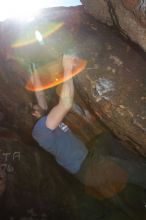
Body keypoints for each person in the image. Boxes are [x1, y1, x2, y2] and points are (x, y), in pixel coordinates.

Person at [31, 54, 146, 199]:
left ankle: (135, 164)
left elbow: (40, 96)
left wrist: (34, 71)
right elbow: (65, 103)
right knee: (136, 172)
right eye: (33, 109)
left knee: (106, 139)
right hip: (89, 170)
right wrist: (67, 69)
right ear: (33, 116)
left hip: (89, 156)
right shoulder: (40, 131)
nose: (37, 107)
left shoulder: (43, 120)